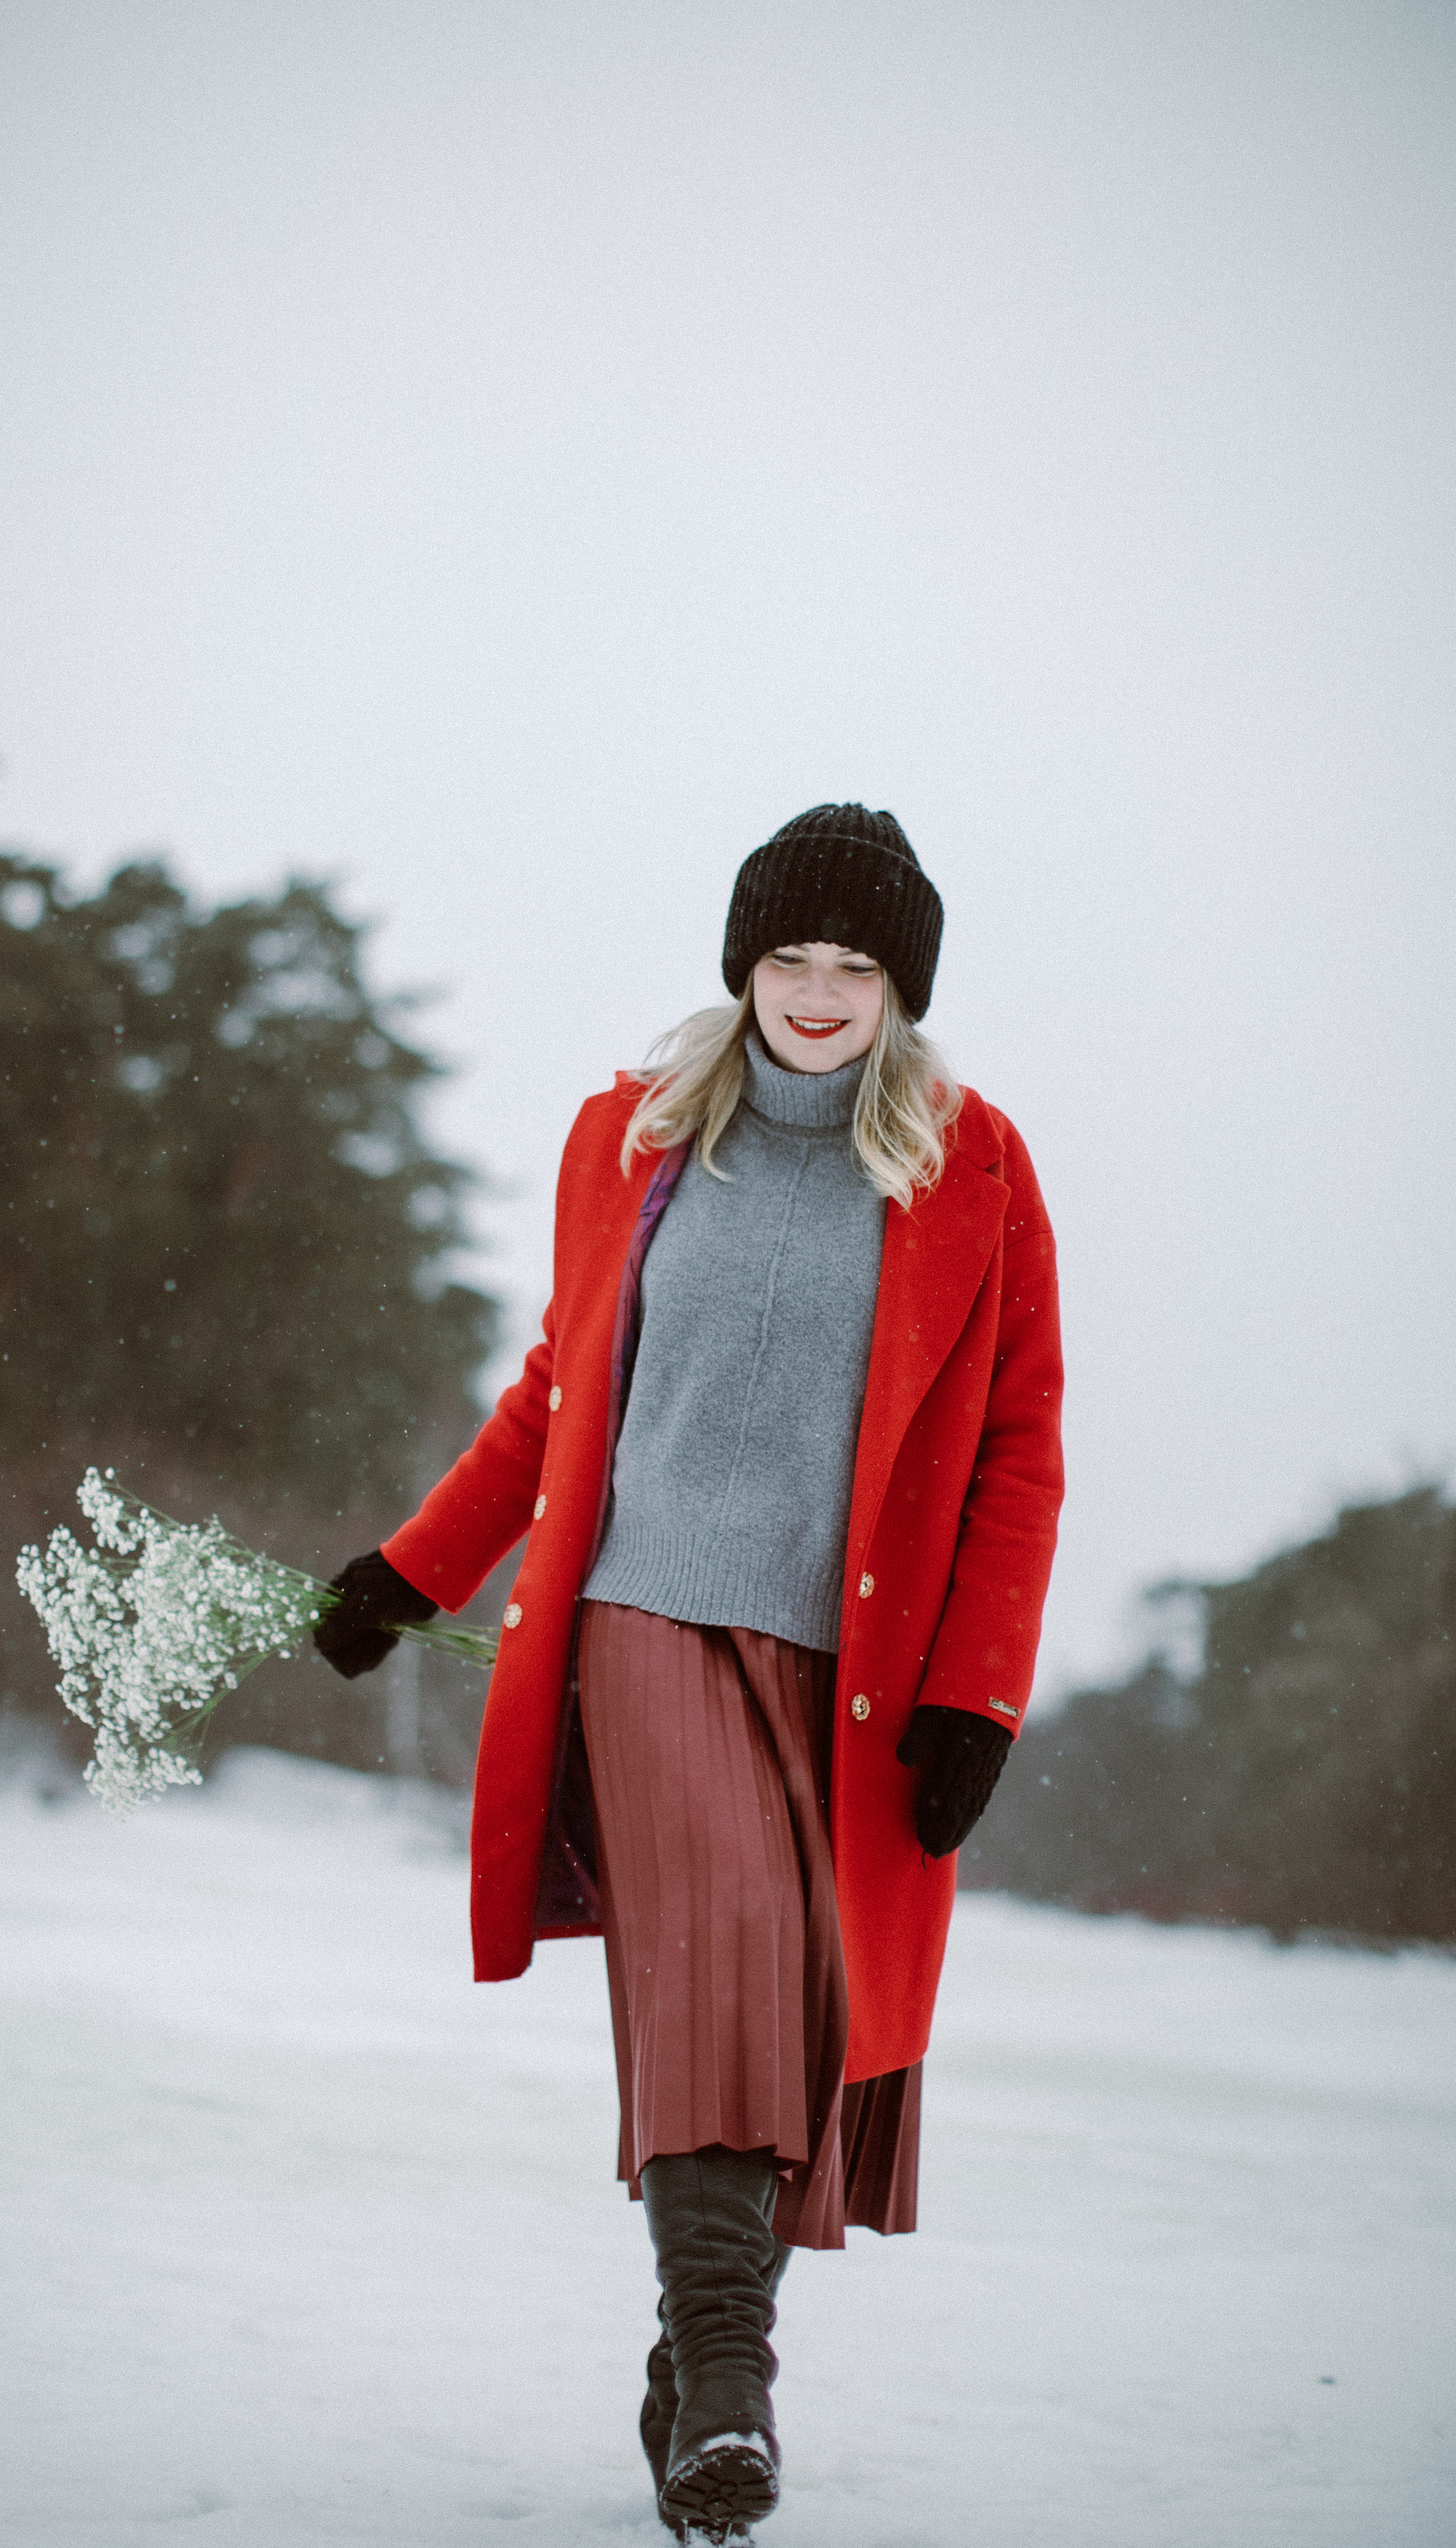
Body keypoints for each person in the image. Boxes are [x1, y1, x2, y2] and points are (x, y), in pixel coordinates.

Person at [314, 802, 1064, 2545]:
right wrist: (413, 1570)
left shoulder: (976, 1168)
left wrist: (980, 1692)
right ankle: (734, 2385)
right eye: (789, 956)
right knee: (723, 1960)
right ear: (743, 964)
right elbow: (556, 1397)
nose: (816, 992)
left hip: (854, 1669)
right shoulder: (636, 1138)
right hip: (642, 1622)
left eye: (856, 965)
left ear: (903, 989)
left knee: (799, 2023)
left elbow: (1016, 1450)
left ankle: (690, 2370)